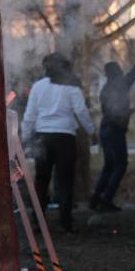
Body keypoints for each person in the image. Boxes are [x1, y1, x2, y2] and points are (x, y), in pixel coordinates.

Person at [22, 54, 95, 232]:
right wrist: (92, 131)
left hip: (43, 137)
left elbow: (30, 114)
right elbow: (81, 111)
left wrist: (24, 136)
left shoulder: (38, 87)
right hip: (65, 137)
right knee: (65, 180)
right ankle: (66, 222)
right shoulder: (72, 87)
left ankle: (38, 221)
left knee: (42, 180)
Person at [91, 38, 135, 211]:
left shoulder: (105, 89)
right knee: (120, 165)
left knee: (109, 165)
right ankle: (106, 200)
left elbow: (111, 112)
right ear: (116, 72)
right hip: (115, 131)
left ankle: (96, 198)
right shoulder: (121, 85)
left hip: (105, 129)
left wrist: (129, 111)